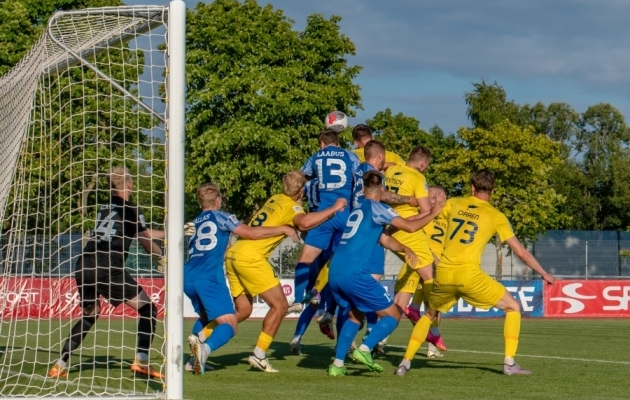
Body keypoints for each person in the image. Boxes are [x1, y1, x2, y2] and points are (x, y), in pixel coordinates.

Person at [395, 170, 555, 376]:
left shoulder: (454, 203)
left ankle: (405, 363)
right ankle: (509, 363)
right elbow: (521, 253)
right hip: (469, 275)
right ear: (493, 191)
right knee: (513, 307)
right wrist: (544, 273)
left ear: (472, 187)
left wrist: (400, 224)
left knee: (430, 314)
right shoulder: (496, 216)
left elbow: (427, 215)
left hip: (443, 272)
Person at [49, 167, 166, 379]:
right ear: (130, 183)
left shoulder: (105, 208)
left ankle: (60, 363)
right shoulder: (131, 209)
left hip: (84, 264)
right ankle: (142, 361)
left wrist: (169, 232)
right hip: (108, 266)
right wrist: (161, 255)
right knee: (148, 309)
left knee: (90, 316)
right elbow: (147, 244)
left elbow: (142, 232)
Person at [226, 171, 347, 372]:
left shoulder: (274, 199)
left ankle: (202, 337)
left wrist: (322, 220)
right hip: (251, 257)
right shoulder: (292, 207)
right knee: (280, 306)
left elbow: (303, 224)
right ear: (301, 191)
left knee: (243, 310)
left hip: (234, 253)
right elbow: (304, 222)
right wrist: (334, 208)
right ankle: (259, 354)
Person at [327, 170, 444, 376]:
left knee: (356, 315)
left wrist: (405, 249)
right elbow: (408, 226)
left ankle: (337, 365)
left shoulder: (358, 209)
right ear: (382, 190)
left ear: (363, 190)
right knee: (393, 315)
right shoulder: (379, 208)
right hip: (356, 274)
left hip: (335, 272)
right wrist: (433, 213)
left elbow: (384, 239)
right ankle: (365, 349)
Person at [184, 183, 299, 375]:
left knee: (206, 317)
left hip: (187, 277)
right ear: (218, 200)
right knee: (229, 325)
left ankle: (191, 360)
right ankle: (205, 350)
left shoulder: (194, 222)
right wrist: (283, 229)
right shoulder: (222, 217)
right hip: (209, 278)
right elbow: (252, 233)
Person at [287, 130, 360, 314]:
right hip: (346, 213)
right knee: (338, 262)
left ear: (321, 143)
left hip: (325, 214)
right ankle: (335, 309)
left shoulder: (316, 157)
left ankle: (297, 300)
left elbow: (301, 178)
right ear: (337, 142)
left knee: (305, 259)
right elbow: (359, 181)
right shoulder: (350, 156)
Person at [385, 146, 446, 349]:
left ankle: (373, 340)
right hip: (408, 232)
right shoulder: (418, 179)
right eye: (426, 166)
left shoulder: (392, 171)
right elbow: (426, 211)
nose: (426, 169)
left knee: (400, 296)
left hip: (387, 226)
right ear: (422, 164)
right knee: (434, 281)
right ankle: (432, 330)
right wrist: (431, 211)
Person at [405, 185, 448, 357]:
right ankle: (378, 339)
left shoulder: (446, 213)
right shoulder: (425, 214)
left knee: (431, 305)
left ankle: (431, 347)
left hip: (432, 261)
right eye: (431, 196)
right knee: (432, 305)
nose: (434, 199)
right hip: (424, 259)